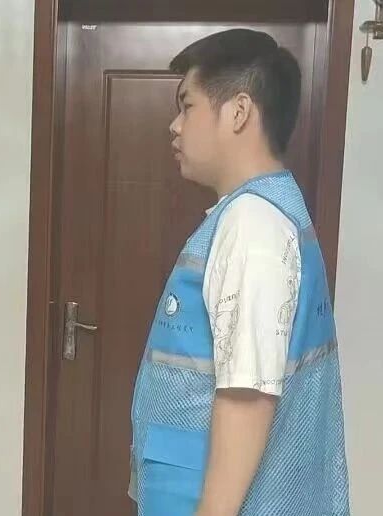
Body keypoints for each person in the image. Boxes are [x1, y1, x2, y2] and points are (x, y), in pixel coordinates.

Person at [129, 29, 350, 516]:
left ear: (238, 112)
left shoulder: (252, 225)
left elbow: (246, 396)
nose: (174, 126)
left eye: (187, 106)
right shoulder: (258, 215)